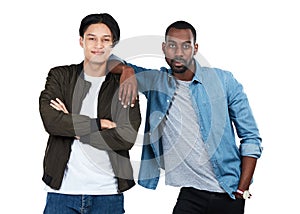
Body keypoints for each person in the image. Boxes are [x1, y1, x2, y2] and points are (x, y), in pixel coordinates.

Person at [114, 20, 263, 214]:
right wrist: (127, 70)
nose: (178, 52)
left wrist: (242, 189)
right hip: (191, 194)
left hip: (228, 192)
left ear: (195, 48)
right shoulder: (156, 82)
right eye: (172, 45)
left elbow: (250, 137)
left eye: (186, 45)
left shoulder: (223, 81)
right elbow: (106, 61)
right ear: (164, 48)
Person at [39, 13, 141, 214]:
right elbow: (52, 121)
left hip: (108, 194)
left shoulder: (123, 85)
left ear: (113, 45)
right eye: (91, 38)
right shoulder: (60, 76)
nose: (98, 45)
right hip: (62, 193)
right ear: (81, 41)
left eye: (106, 40)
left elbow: (126, 136)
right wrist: (100, 123)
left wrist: (75, 129)